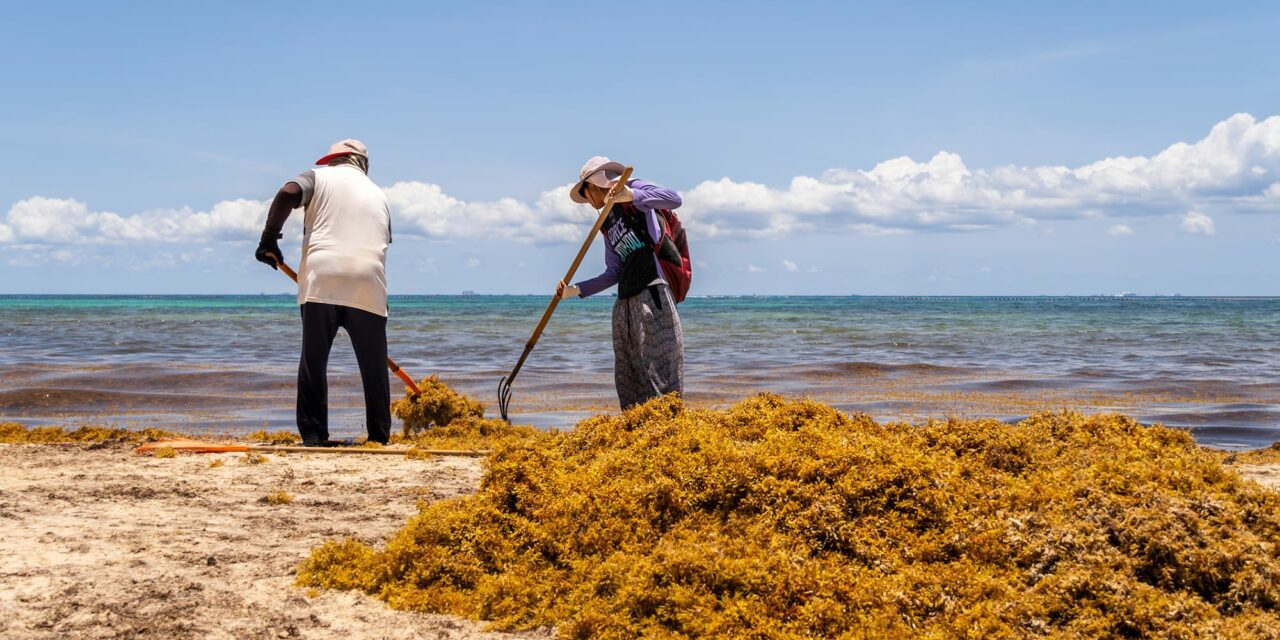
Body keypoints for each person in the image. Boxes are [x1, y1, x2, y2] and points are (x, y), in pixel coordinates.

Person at [255, 139, 393, 445]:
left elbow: (287, 193)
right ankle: (379, 436)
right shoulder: (379, 195)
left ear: (336, 159)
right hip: (369, 280)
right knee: (374, 365)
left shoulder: (317, 177)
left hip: (322, 277)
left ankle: (315, 436)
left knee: (313, 360)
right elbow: (381, 243)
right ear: (362, 163)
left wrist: (269, 239)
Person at [556, 156, 685, 410]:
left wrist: (630, 195)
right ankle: (635, 425)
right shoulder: (607, 221)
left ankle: (668, 423)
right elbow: (614, 271)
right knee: (630, 370)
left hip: (652, 292)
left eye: (586, 194)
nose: (588, 202)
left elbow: (674, 198)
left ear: (593, 186)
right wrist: (575, 290)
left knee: (659, 365)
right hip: (624, 302)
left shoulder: (634, 190)